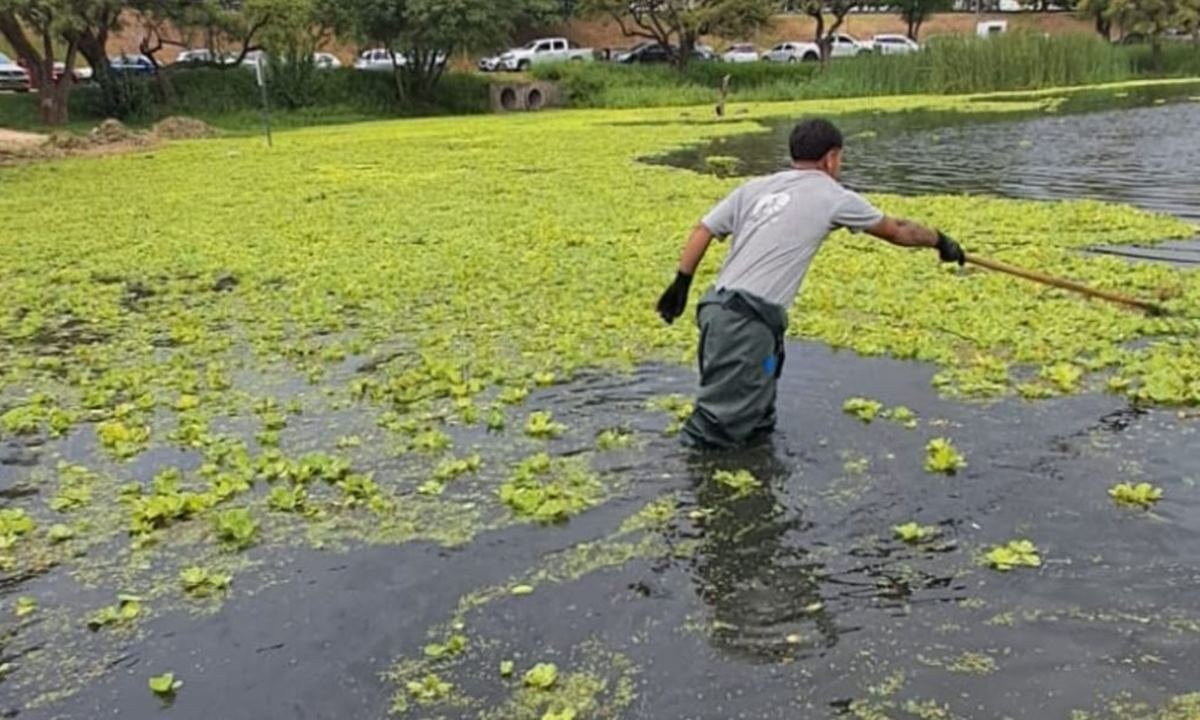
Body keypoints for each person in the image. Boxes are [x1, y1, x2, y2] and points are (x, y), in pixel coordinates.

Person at [656, 117, 966, 449]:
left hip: (725, 313)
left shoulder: (754, 188)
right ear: (831, 158)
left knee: (757, 418)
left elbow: (703, 229)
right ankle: (684, 487)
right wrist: (940, 241)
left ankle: (754, 483)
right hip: (744, 327)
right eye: (840, 159)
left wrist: (682, 283)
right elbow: (898, 229)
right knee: (713, 431)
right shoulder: (832, 195)